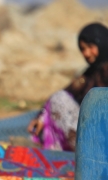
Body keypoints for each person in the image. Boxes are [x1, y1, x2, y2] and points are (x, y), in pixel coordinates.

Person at [27, 23, 108, 151]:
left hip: (103, 139)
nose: (86, 53)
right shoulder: (88, 75)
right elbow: (66, 93)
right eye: (83, 49)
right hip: (94, 136)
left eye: (90, 47)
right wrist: (41, 117)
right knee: (58, 99)